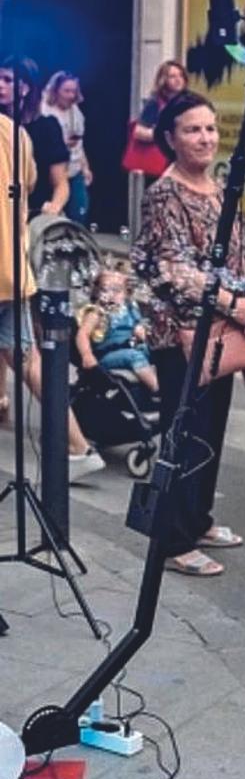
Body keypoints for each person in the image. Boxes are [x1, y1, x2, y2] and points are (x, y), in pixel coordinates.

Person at [131, 91, 245, 576]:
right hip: (179, 333)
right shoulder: (166, 193)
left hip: (220, 329)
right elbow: (173, 271)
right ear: (169, 138)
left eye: (210, 128)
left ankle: (199, 519)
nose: (205, 138)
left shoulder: (221, 188)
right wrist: (236, 304)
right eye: (192, 130)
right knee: (184, 432)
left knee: (212, 428)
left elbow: (237, 253)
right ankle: (173, 539)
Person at [0, 111, 103, 480]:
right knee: (26, 357)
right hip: (11, 265)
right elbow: (26, 185)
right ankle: (78, 444)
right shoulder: (15, 132)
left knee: (24, 356)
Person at [0, 59, 68, 219]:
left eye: (8, 80)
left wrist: (55, 206)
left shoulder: (46, 127)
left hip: (33, 214)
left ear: (25, 89)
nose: (0, 84)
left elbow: (61, 182)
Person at [75, 269, 158, 394]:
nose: (111, 294)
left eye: (117, 290)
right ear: (97, 292)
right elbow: (82, 334)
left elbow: (141, 327)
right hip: (106, 356)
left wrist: (141, 331)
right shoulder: (97, 312)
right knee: (134, 356)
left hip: (131, 347)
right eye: (105, 290)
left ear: (126, 294)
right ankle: (157, 389)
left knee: (155, 350)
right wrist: (87, 355)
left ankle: (173, 385)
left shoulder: (130, 309)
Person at [41, 71, 91, 224]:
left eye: (74, 91)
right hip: (54, 170)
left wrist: (86, 168)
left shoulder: (76, 111)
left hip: (75, 168)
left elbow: (80, 143)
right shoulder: (44, 111)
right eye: (67, 91)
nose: (71, 95)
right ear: (56, 91)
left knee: (79, 212)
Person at [133, 60, 189, 146]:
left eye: (181, 75)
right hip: (159, 153)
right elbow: (138, 131)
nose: (178, 80)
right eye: (172, 76)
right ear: (163, 80)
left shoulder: (189, 100)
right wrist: (161, 134)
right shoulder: (155, 102)